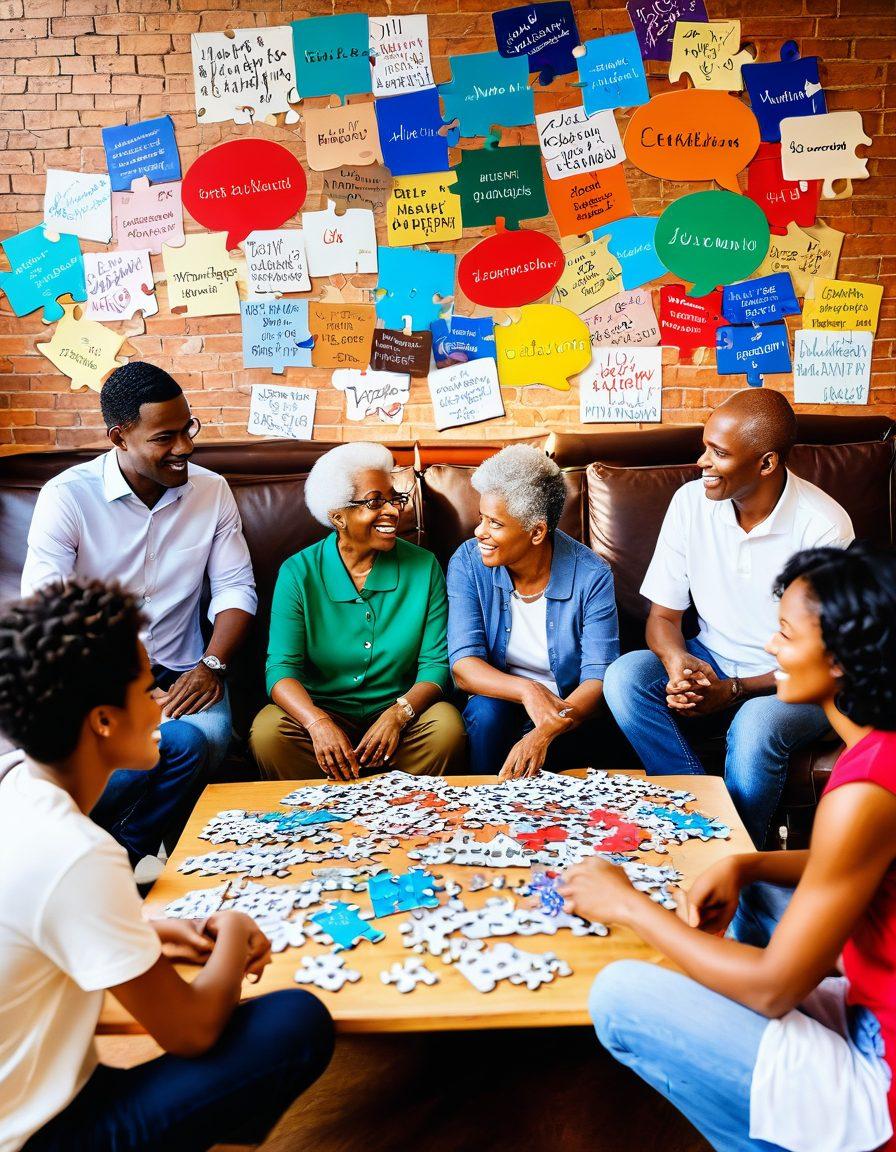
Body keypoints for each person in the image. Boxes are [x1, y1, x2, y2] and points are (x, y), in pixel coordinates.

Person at [562, 544, 896, 1152]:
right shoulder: (880, 749)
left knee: (618, 995)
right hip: (874, 993)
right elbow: (861, 863)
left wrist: (630, 905)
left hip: (884, 1071)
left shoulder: (867, 787)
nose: (772, 648)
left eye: (786, 634)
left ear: (843, 658)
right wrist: (745, 862)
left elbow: (775, 988)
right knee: (754, 894)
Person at [0, 579, 333, 1152]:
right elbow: (191, 1031)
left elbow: (34, 925)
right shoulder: (79, 850)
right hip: (41, 1137)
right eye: (144, 685)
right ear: (103, 721)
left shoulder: (16, 791)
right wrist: (231, 928)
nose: (162, 697)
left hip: (27, 1099)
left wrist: (151, 931)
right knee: (297, 1020)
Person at [21, 362, 257, 869]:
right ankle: (101, 859)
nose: (185, 448)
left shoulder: (211, 491)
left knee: (203, 741)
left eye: (188, 428)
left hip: (187, 672)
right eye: (165, 437)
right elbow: (48, 611)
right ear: (119, 437)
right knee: (128, 760)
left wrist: (212, 665)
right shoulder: (67, 498)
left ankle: (126, 860)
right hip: (97, 679)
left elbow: (236, 587)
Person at [602, 389, 853, 846]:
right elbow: (662, 617)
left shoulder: (823, 526)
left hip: (792, 683)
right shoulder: (689, 503)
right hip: (710, 659)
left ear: (766, 463)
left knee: (755, 724)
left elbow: (821, 660)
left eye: (718, 453)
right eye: (705, 447)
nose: (702, 462)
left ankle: (739, 855)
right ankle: (699, 824)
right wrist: (679, 662)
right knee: (623, 676)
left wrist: (735, 690)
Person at [250, 442, 465, 781]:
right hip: (322, 712)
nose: (393, 511)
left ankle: (401, 813)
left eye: (394, 499)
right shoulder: (298, 572)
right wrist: (317, 723)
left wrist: (398, 714)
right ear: (337, 516)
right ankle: (323, 813)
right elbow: (281, 669)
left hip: (401, 715)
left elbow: (435, 666)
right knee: (268, 732)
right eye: (374, 502)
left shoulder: (424, 567)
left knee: (446, 727)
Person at [447, 444, 619, 780]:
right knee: (485, 713)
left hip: (568, 704)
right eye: (482, 517)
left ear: (537, 531)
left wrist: (542, 732)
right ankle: (483, 808)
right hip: (501, 698)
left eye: (494, 523)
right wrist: (529, 691)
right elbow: (464, 668)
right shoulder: (468, 562)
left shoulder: (592, 574)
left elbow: (597, 680)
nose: (479, 531)